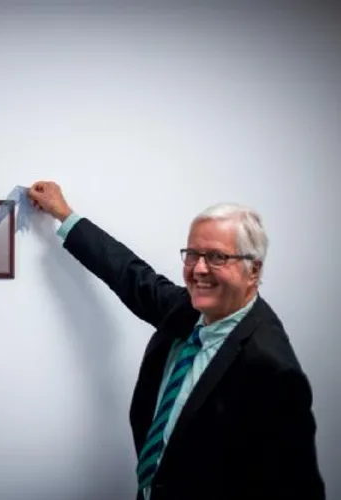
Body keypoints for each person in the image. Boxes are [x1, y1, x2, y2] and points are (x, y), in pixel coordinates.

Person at [27, 181, 325, 500]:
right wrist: (64, 214)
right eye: (192, 254)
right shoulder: (188, 310)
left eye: (217, 257)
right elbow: (130, 274)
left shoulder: (272, 369)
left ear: (253, 270)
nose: (198, 269)